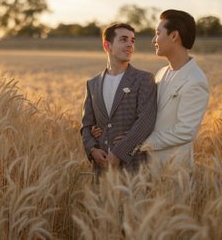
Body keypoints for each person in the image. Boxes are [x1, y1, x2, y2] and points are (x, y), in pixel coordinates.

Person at [80, 23, 157, 174]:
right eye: (123, 39)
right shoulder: (92, 84)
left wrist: (119, 153)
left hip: (133, 168)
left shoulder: (144, 79)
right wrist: (93, 150)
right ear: (107, 45)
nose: (130, 44)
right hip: (101, 168)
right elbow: (86, 126)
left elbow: (145, 122)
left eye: (132, 41)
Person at [142, 9, 209, 164]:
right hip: (147, 166)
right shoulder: (161, 72)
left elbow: (185, 131)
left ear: (174, 36)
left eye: (158, 33)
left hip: (173, 169)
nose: (153, 40)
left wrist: (144, 144)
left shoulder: (195, 80)